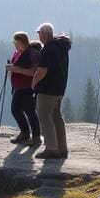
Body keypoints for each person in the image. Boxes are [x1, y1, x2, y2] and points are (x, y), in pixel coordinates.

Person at [32, 23, 72, 159]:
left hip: (47, 89)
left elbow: (42, 70)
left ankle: (51, 148)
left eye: (39, 33)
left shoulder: (47, 49)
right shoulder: (61, 47)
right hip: (60, 88)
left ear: (44, 34)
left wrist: (34, 81)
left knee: (44, 116)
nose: (38, 36)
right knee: (57, 117)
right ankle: (62, 148)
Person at [6, 32, 41, 145]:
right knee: (15, 110)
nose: (14, 44)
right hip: (18, 87)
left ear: (21, 41)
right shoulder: (19, 52)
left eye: (15, 41)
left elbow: (33, 72)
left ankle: (36, 137)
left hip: (28, 87)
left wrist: (15, 69)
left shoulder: (31, 53)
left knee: (30, 111)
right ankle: (25, 132)